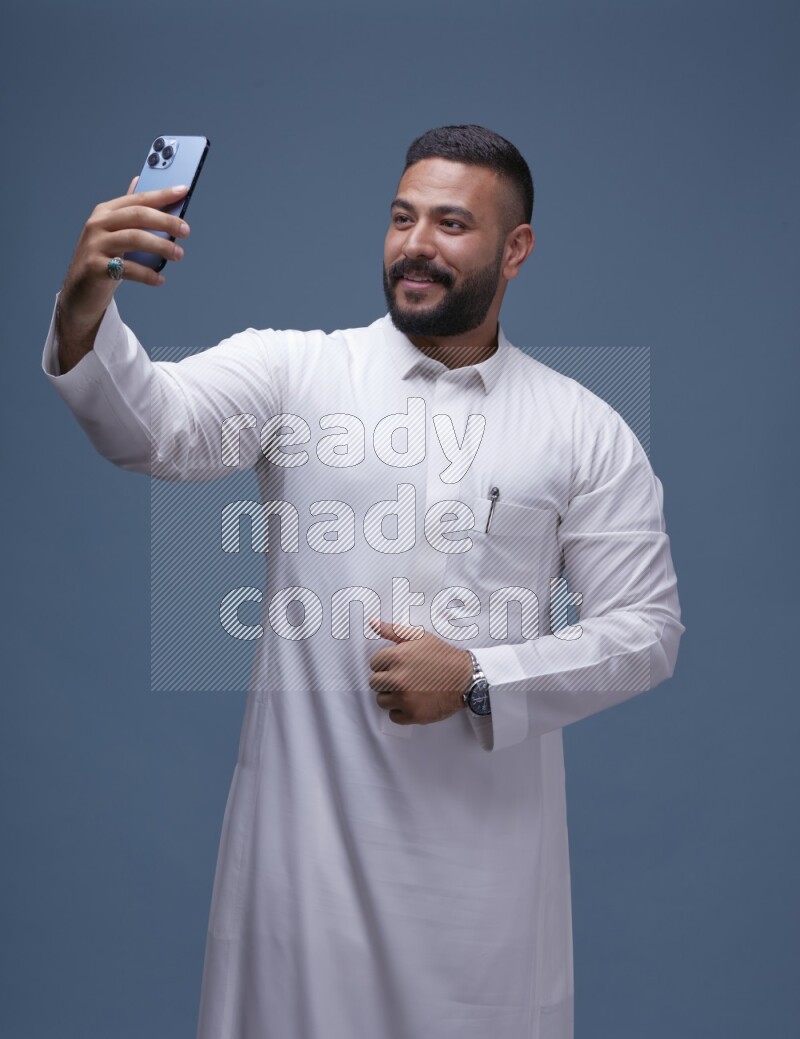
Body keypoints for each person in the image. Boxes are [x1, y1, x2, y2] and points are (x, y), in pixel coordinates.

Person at [43, 125, 684, 1039]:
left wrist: (476, 678)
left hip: (483, 906)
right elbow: (152, 429)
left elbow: (646, 632)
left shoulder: (583, 428)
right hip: (303, 890)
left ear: (516, 249)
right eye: (401, 216)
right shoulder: (297, 371)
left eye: (452, 223)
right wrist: (84, 308)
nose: (416, 243)